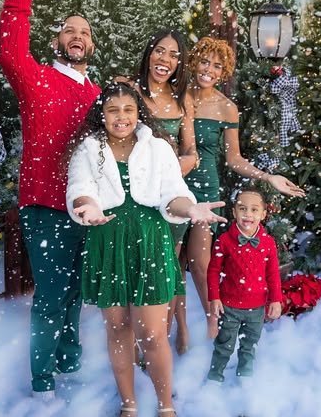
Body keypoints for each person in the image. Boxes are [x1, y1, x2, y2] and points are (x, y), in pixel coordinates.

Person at [66, 82, 227, 417]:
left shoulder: (158, 148)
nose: (121, 117)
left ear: (139, 113)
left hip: (150, 244)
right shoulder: (88, 148)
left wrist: (191, 209)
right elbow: (80, 188)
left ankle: (165, 405)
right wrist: (86, 207)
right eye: (113, 110)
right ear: (103, 114)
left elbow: (174, 193)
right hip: (107, 242)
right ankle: (128, 404)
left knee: (153, 335)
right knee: (118, 330)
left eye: (128, 110)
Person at [0, 0, 101, 400]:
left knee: (76, 291)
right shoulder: (36, 77)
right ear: (56, 38)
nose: (77, 37)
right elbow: (9, 50)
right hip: (44, 207)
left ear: (91, 45)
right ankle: (41, 383)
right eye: (69, 30)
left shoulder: (99, 96)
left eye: (85, 32)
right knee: (51, 296)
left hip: (87, 210)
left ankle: (69, 362)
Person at [183, 37, 305, 340]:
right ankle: (181, 328)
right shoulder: (178, 97)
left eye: (217, 65)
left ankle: (214, 320)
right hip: (173, 187)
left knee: (201, 264)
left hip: (206, 190)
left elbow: (234, 159)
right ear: (194, 62)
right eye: (204, 61)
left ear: (225, 72)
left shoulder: (227, 109)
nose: (208, 69)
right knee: (172, 264)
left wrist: (267, 177)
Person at [120, 29, 197, 354]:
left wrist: (173, 169)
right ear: (149, 54)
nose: (165, 59)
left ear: (179, 64)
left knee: (166, 270)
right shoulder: (130, 92)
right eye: (160, 51)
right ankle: (135, 340)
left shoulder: (183, 100)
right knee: (134, 268)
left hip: (170, 200)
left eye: (173, 54)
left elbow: (191, 151)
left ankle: (161, 341)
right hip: (136, 201)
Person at [206, 188, 283, 383]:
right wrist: (214, 297)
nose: (248, 214)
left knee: (250, 344)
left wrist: (275, 299)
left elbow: (273, 273)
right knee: (224, 344)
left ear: (263, 214)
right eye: (242, 208)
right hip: (229, 305)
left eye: (254, 210)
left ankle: (245, 377)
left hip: (256, 307)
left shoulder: (268, 243)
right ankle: (215, 377)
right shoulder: (224, 241)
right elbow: (213, 270)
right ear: (234, 212)